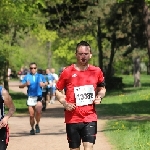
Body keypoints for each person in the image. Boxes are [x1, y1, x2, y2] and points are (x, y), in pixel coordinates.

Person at [55, 41, 106, 150]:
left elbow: (102, 88)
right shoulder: (67, 72)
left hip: (90, 117)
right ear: (76, 54)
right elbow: (58, 91)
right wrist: (64, 103)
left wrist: (99, 97)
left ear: (90, 55)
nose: (83, 56)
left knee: (89, 148)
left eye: (86, 54)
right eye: (80, 54)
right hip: (72, 118)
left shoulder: (96, 71)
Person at [19, 62, 46, 135]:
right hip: (30, 97)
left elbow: (46, 83)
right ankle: (32, 128)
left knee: (38, 112)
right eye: (31, 68)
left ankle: (37, 124)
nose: (33, 69)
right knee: (31, 115)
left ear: (36, 68)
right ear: (29, 69)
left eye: (34, 68)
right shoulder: (27, 77)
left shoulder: (40, 76)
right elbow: (20, 86)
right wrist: (25, 84)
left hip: (38, 96)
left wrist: (43, 84)